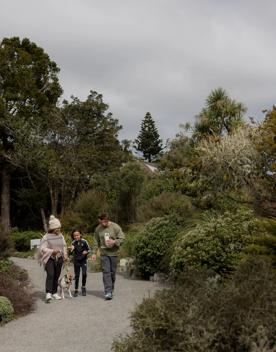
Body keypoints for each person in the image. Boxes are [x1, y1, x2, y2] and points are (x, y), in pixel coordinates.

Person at [91, 214, 124, 300]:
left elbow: (122, 238)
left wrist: (114, 242)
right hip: (104, 253)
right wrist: (94, 253)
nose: (104, 223)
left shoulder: (115, 227)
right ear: (100, 221)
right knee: (106, 272)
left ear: (108, 220)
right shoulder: (98, 229)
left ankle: (111, 288)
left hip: (114, 253)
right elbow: (95, 241)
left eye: (106, 221)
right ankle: (108, 291)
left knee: (112, 273)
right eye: (102, 221)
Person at [39, 215, 68, 303]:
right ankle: (48, 293)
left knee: (56, 275)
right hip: (49, 258)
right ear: (52, 228)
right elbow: (42, 248)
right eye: (57, 228)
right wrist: (52, 251)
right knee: (50, 274)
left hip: (59, 258)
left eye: (59, 228)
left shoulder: (61, 236)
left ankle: (54, 292)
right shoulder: (46, 237)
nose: (58, 229)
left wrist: (65, 255)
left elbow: (64, 246)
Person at [70, 230, 90, 297]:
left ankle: (83, 287)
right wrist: (70, 249)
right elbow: (70, 252)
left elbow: (89, 249)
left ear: (80, 235)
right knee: (77, 276)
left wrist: (86, 252)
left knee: (84, 274)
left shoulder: (84, 241)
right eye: (74, 236)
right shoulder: (73, 242)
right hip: (76, 261)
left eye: (77, 235)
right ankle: (76, 290)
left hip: (83, 261)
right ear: (73, 236)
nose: (76, 237)